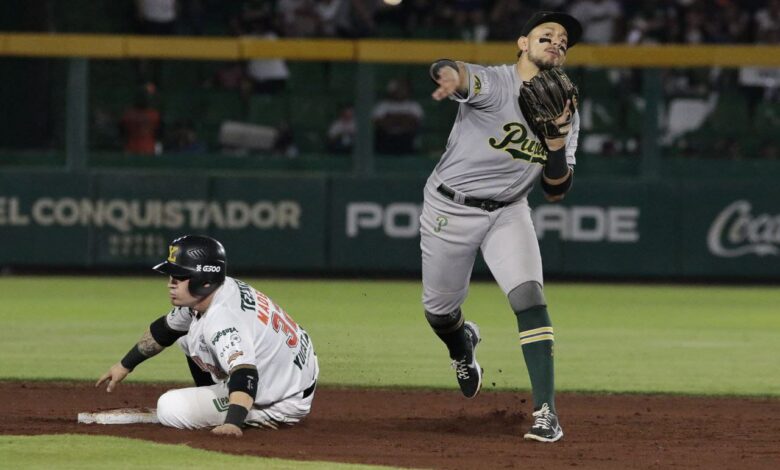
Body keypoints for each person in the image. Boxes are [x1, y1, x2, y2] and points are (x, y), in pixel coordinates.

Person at [422, 11, 582, 443]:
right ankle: (462, 345)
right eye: (546, 34)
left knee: (530, 297)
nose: (557, 41)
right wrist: (449, 78)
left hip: (509, 211)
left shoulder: (567, 109)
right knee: (439, 313)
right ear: (522, 43)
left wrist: (555, 143)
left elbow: (556, 188)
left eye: (564, 40)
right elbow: (449, 67)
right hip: (449, 209)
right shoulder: (495, 83)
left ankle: (546, 412)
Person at [96, 235, 319, 435]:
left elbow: (245, 374)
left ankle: (259, 416)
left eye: (179, 276)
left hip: (283, 398)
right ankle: (215, 396)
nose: (170, 284)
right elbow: (165, 330)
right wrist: (124, 365)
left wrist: (232, 423)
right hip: (291, 369)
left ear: (204, 279)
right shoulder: (214, 291)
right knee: (187, 335)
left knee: (170, 408)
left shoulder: (222, 317)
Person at [372, 78, 424, 154]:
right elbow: (380, 124)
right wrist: (403, 118)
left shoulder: (414, 106)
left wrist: (390, 118)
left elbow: (413, 124)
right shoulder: (382, 105)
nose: (401, 91)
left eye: (403, 89)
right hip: (386, 139)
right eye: (398, 89)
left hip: (406, 139)